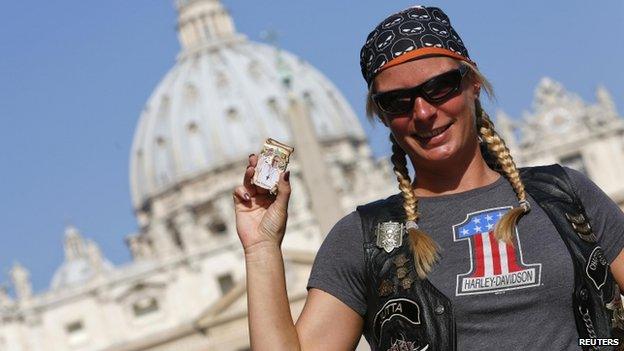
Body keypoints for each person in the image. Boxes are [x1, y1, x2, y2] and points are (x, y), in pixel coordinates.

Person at [233, 5, 624, 351]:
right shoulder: (362, 239)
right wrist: (262, 247)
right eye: (398, 101)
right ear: (381, 117)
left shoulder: (565, 195)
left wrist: (596, 342)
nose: (422, 112)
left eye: (439, 87)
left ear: (473, 84)